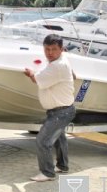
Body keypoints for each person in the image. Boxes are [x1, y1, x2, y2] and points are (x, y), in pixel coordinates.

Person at [24, 34, 76, 182]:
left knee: (43, 140)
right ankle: (63, 166)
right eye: (47, 49)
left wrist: (30, 73)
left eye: (54, 49)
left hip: (61, 112)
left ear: (61, 49)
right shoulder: (62, 60)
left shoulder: (58, 65)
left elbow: (36, 79)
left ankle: (47, 173)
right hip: (63, 110)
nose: (50, 52)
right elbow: (73, 74)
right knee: (59, 138)